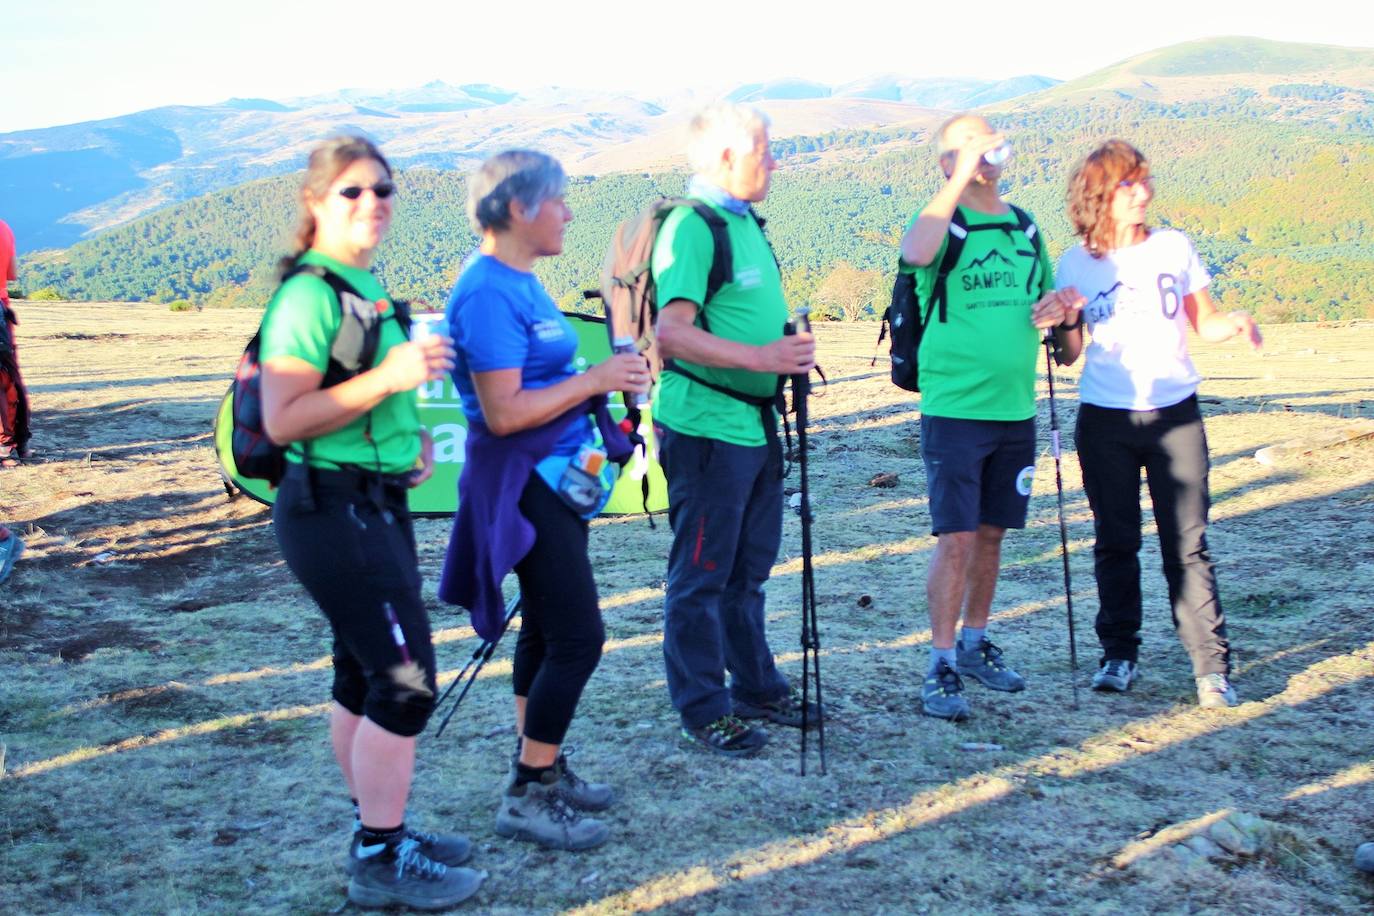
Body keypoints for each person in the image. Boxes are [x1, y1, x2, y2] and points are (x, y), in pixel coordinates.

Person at [259, 135, 485, 910]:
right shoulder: (308, 295)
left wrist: (404, 442)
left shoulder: (362, 284)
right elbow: (283, 417)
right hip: (329, 508)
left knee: (362, 674)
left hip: (369, 499)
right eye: (352, 191)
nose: (372, 203)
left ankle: (377, 828)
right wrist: (390, 377)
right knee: (406, 680)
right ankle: (380, 855)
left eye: (383, 189)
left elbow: (354, 398)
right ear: (316, 201)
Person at [438, 149, 647, 850]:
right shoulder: (489, 291)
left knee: (547, 632)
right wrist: (595, 382)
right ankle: (527, 792)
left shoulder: (522, 280)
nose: (569, 211)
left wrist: (606, 381)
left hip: (554, 478)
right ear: (519, 207)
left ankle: (544, 765)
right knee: (581, 638)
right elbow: (501, 412)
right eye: (558, 199)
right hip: (522, 482)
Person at [1052, 139, 1261, 709]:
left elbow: (1207, 322)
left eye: (1144, 181)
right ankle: (1118, 654)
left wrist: (1235, 323)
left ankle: (1211, 670)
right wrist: (1065, 319)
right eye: (1128, 184)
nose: (1142, 193)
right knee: (1115, 541)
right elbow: (1068, 353)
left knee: (1186, 545)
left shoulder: (1173, 247)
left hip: (1176, 416)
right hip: (1104, 419)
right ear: (1099, 194)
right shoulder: (1074, 262)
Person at [651, 102, 818, 758]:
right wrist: (762, 359)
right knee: (700, 575)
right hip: (705, 428)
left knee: (747, 570)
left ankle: (755, 685)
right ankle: (702, 707)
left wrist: (784, 347)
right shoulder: (694, 227)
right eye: (765, 150)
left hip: (751, 428)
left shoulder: (747, 225)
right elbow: (672, 331)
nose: (775, 161)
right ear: (726, 157)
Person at [897, 114, 1072, 722]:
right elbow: (913, 250)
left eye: (991, 142)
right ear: (946, 162)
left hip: (1014, 409)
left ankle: (975, 643)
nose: (986, 153)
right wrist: (957, 176)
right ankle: (940, 660)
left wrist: (1061, 309)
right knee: (957, 537)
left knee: (993, 534)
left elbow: (1051, 314)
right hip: (954, 409)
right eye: (969, 147)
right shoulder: (943, 225)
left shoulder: (1025, 226)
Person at [0, 217, 32, 467]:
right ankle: (19, 443)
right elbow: (12, 274)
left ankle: (4, 447)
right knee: (9, 377)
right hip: (2, 310)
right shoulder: (4, 227)